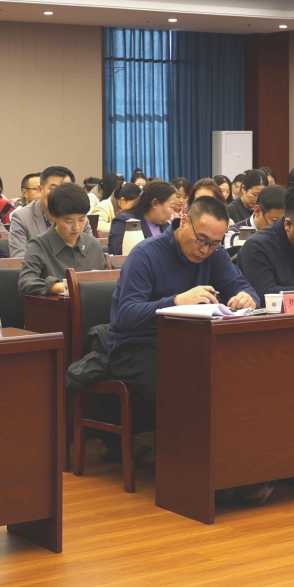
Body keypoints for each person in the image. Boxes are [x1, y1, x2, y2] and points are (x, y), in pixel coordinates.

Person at [68, 196, 263, 500]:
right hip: (137, 348)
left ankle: (240, 471)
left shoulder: (214, 255)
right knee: (189, 390)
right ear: (183, 220)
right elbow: (126, 315)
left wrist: (247, 297)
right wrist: (175, 302)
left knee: (236, 381)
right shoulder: (146, 254)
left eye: (214, 244)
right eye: (201, 240)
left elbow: (245, 287)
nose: (205, 249)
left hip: (191, 345)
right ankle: (196, 480)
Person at [20, 183, 106, 295]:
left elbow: (106, 281)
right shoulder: (38, 246)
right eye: (69, 221)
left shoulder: (93, 245)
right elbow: (26, 283)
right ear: (54, 216)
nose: (76, 227)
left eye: (81, 219)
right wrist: (65, 287)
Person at [10, 166, 74, 256]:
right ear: (40, 190)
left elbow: (89, 252)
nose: (60, 194)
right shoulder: (21, 217)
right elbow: (19, 258)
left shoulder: (78, 216)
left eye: (66, 189)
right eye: (54, 189)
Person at [108, 179, 179, 253]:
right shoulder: (125, 222)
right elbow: (122, 253)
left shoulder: (167, 227)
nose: (172, 212)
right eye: (171, 207)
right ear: (155, 203)